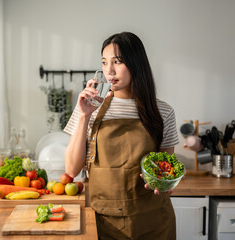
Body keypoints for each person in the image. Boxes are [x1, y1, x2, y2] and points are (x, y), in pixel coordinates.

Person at [63, 32, 179, 240]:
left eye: (118, 62)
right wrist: (83, 116)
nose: (109, 71)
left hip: (154, 223)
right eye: (104, 62)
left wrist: (164, 183)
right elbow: (71, 168)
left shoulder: (163, 111)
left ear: (136, 63)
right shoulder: (90, 107)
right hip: (105, 223)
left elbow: (166, 169)